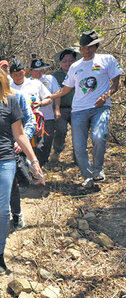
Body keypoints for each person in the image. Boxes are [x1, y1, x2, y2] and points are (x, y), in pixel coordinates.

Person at [0, 59, 44, 276]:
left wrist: (34, 161)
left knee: (1, 209)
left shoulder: (11, 100)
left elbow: (19, 134)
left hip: (4, 159)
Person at [49, 30, 123, 188]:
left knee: (98, 136)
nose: (86, 50)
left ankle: (98, 170)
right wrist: (48, 98)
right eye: (83, 47)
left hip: (100, 107)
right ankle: (88, 177)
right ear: (80, 49)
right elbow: (66, 89)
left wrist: (107, 95)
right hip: (79, 110)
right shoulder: (75, 66)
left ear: (96, 46)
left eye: (90, 47)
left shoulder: (107, 60)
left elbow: (117, 82)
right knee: (79, 146)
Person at [9, 58, 50, 230]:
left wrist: (41, 104)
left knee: (37, 150)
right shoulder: (7, 89)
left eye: (20, 73)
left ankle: (35, 175)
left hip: (30, 123)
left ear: (24, 72)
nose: (18, 76)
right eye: (15, 74)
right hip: (13, 133)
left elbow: (47, 98)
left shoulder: (34, 84)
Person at [28, 58, 59, 166]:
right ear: (30, 71)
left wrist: (57, 109)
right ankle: (36, 163)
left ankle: (44, 161)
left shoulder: (50, 79)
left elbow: (56, 95)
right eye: (36, 70)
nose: (38, 73)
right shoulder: (27, 82)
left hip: (48, 115)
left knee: (47, 140)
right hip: (33, 117)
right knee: (35, 142)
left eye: (41, 70)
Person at [50, 47, 80, 163]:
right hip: (61, 108)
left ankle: (78, 155)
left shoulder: (80, 72)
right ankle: (57, 151)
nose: (68, 63)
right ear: (60, 63)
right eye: (64, 61)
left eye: (71, 60)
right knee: (61, 131)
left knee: (79, 132)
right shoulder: (55, 76)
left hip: (78, 108)